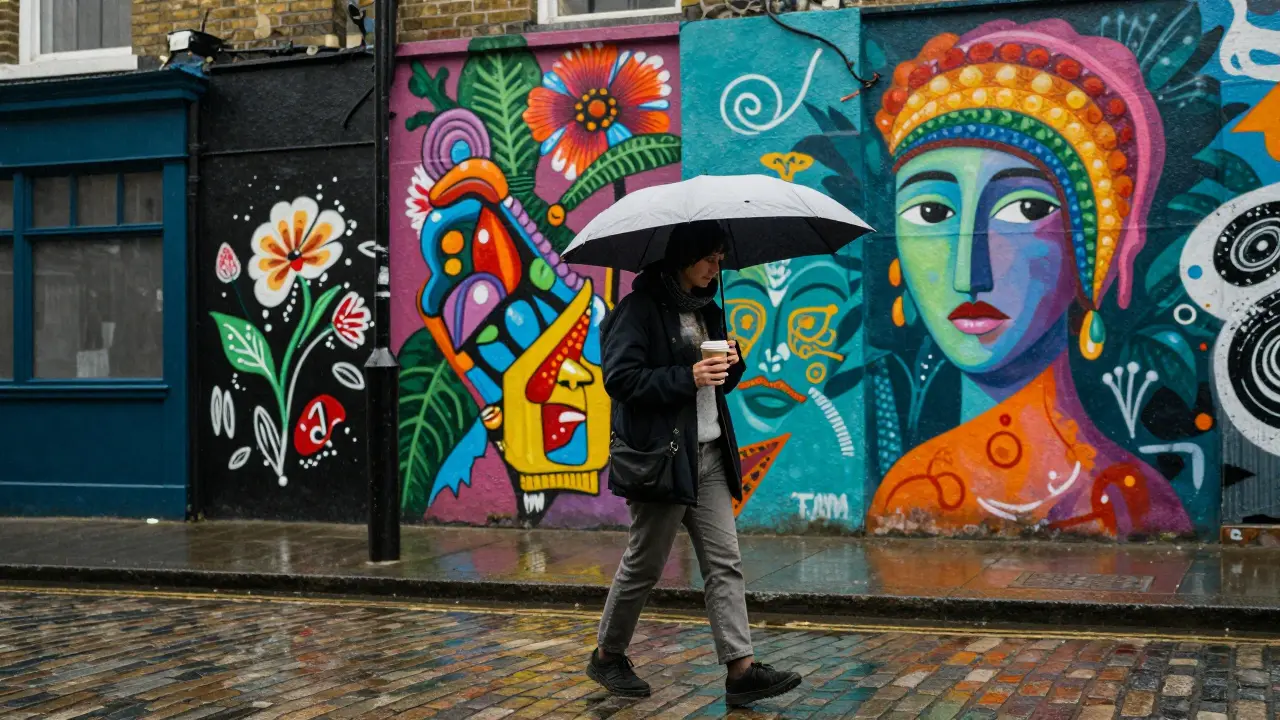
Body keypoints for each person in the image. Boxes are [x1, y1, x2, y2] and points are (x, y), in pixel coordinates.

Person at [867, 20, 1192, 537]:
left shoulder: (1133, 499)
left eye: (1025, 208)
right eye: (930, 213)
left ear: (1091, 253)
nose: (968, 274)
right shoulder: (910, 490)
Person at [586, 220, 803, 707]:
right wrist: (688, 376)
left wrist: (732, 361)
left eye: (720, 259)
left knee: (725, 564)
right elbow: (621, 380)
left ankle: (741, 670)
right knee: (643, 566)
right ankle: (606, 657)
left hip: (706, 454)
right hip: (661, 461)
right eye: (709, 258)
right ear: (683, 257)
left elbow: (717, 383)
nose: (715, 267)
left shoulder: (709, 310)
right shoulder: (637, 311)